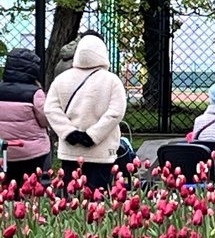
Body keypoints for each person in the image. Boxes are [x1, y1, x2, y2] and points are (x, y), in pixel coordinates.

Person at [43, 33, 127, 192]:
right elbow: (116, 112)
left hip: (70, 150)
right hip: (101, 151)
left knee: (70, 196)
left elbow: (51, 109)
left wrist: (68, 132)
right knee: (97, 197)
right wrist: (93, 135)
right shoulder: (112, 80)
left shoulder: (61, 79)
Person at [0, 48, 51, 181]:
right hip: (32, 151)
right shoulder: (35, 93)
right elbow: (45, 120)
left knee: (8, 187)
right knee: (32, 189)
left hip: (5, 150)